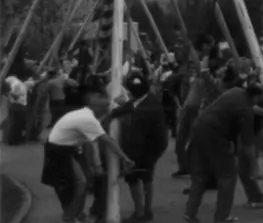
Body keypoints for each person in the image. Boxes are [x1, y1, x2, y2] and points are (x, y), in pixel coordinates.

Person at [184, 80, 263, 223]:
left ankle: (190, 213)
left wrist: (254, 109)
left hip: (199, 129)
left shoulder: (236, 91)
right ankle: (222, 217)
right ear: (256, 97)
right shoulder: (245, 112)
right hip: (216, 136)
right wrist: (254, 168)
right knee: (228, 176)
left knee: (201, 174)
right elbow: (248, 145)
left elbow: (233, 107)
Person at [40, 88, 134, 223]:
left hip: (67, 148)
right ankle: (70, 216)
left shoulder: (86, 113)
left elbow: (106, 117)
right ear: (95, 107)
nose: (107, 109)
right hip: (60, 151)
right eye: (104, 106)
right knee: (79, 183)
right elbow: (108, 141)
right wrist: (125, 158)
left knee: (78, 183)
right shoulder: (88, 119)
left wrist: (118, 104)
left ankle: (76, 213)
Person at [118, 73, 169, 222]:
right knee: (147, 177)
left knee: (134, 177)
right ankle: (146, 211)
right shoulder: (149, 98)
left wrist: (126, 158)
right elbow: (132, 104)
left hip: (146, 147)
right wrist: (117, 110)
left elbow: (133, 138)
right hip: (155, 145)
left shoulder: (141, 112)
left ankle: (139, 214)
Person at [2, 75, 28, 145]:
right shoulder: (19, 83)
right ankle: (15, 139)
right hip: (21, 105)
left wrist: (7, 93)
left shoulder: (13, 83)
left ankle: (12, 139)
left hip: (16, 105)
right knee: (17, 123)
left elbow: (13, 96)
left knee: (14, 123)